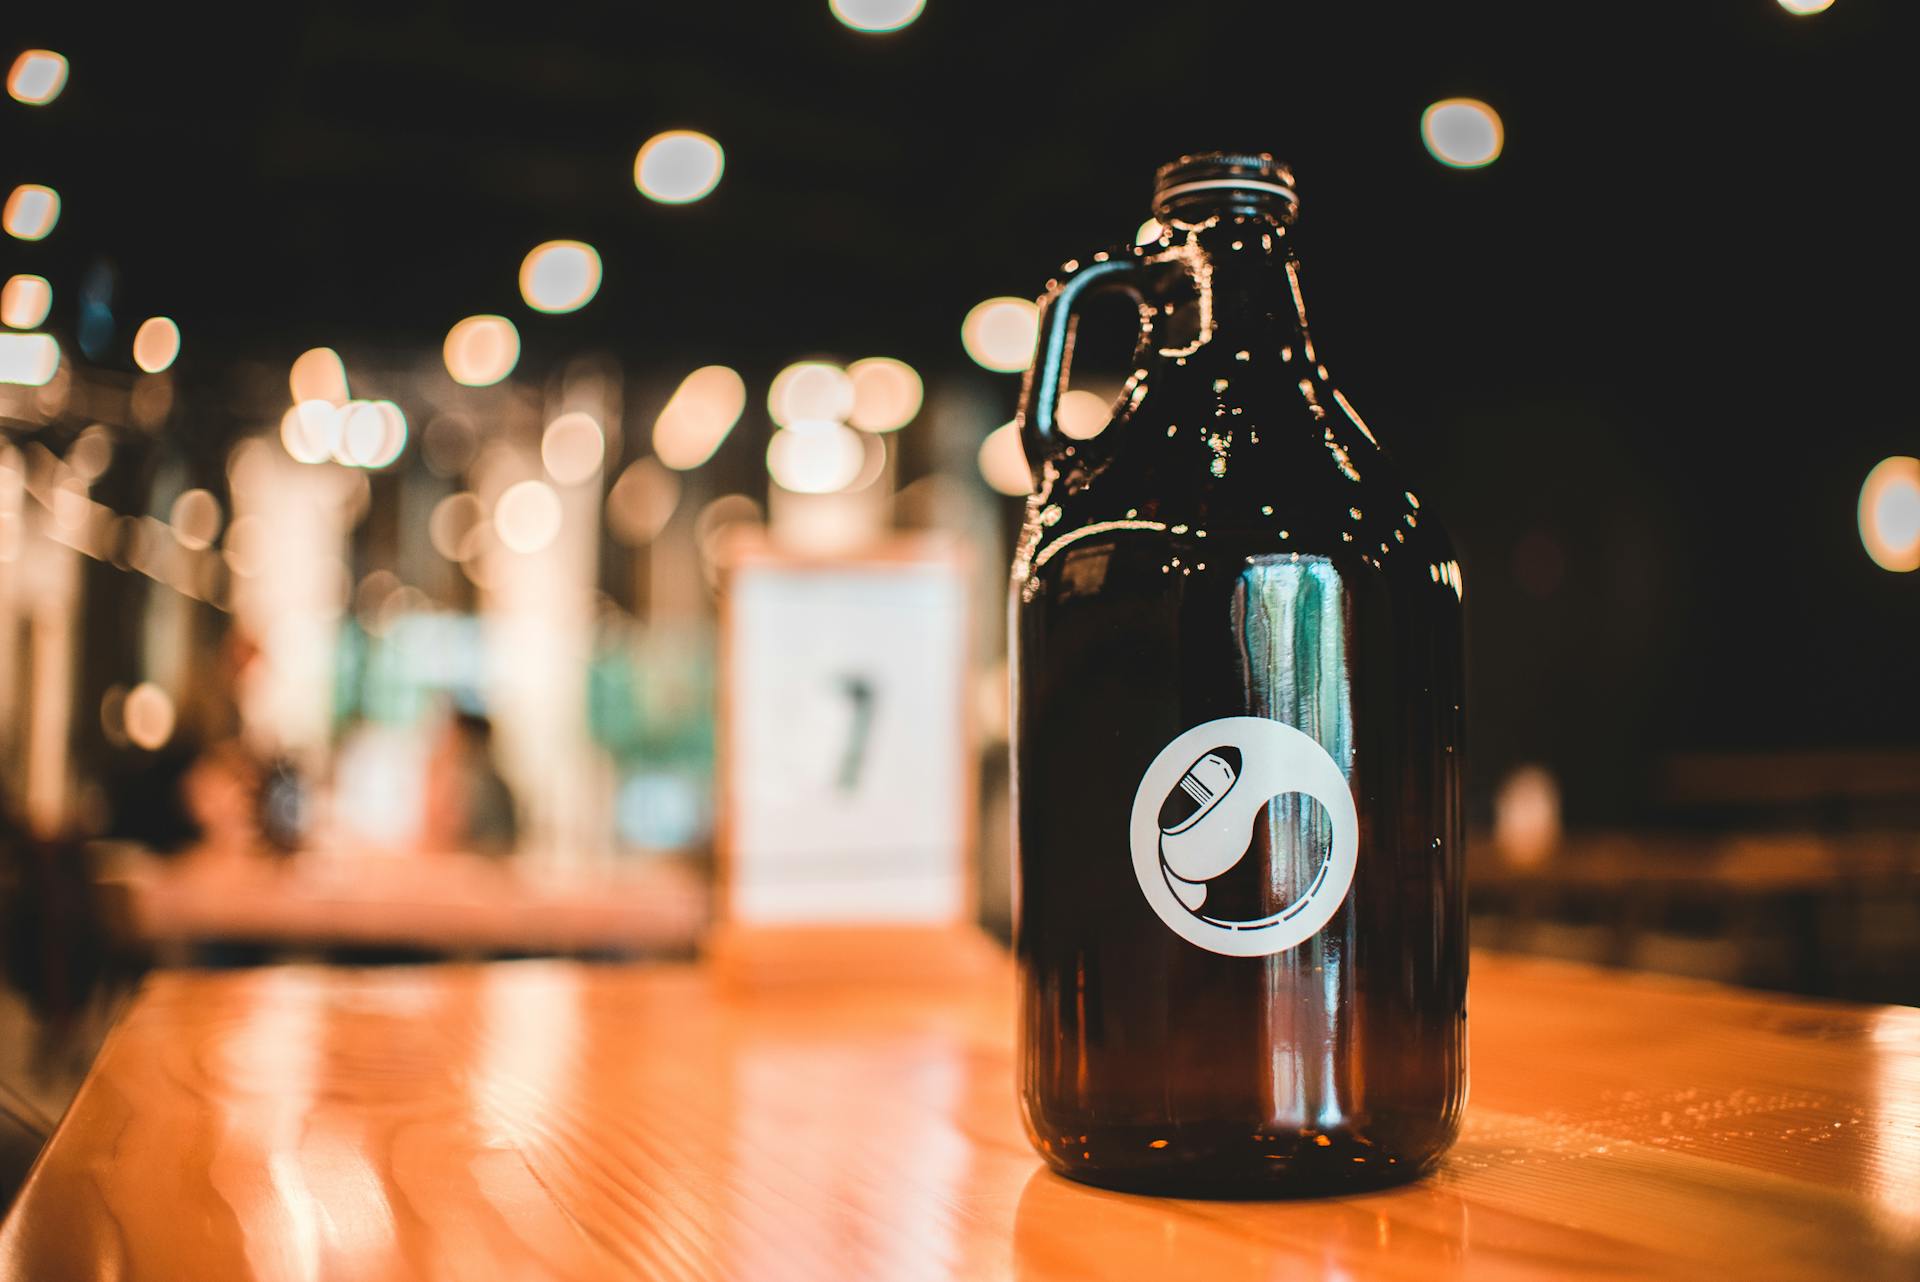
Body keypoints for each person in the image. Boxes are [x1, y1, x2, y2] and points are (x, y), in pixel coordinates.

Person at [418, 708, 518, 857]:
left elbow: (451, 833)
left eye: (451, 734)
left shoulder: (479, 784)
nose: (445, 741)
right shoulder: (486, 780)